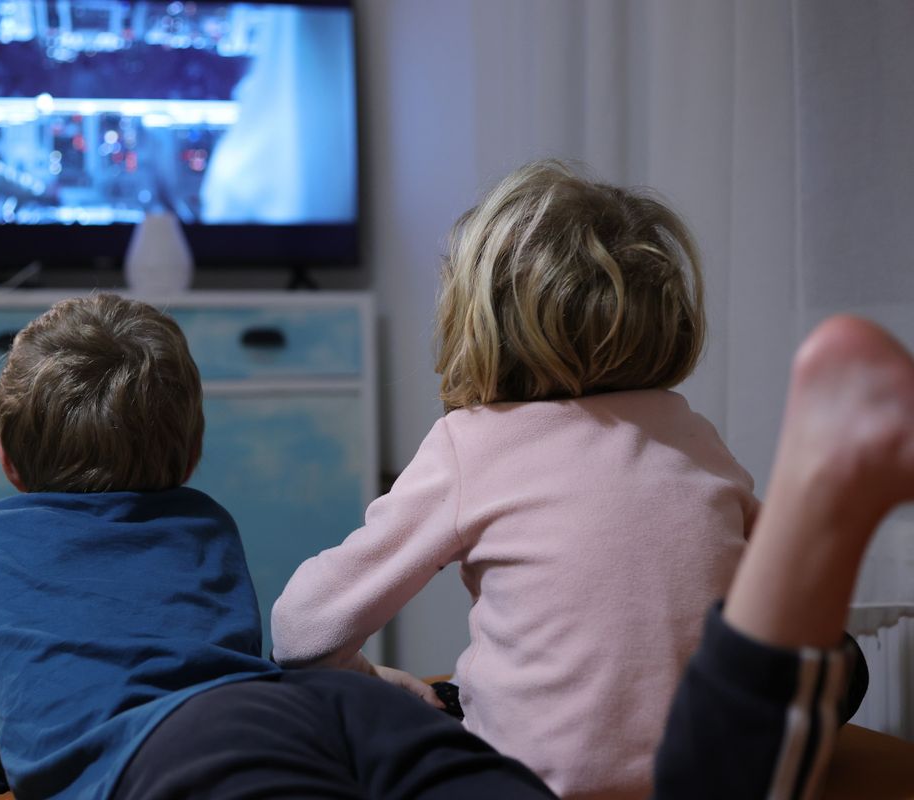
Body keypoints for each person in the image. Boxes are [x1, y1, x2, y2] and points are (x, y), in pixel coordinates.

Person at [0, 291, 911, 799]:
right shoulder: (203, 521)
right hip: (330, 706)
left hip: (186, 758)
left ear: (9, 459)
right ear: (189, 450)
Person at [268, 160, 854, 798]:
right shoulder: (691, 433)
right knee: (839, 659)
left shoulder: (474, 443)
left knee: (331, 709)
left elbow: (302, 631)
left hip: (524, 783)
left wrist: (365, 675)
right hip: (709, 774)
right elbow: (788, 597)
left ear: (480, 323)